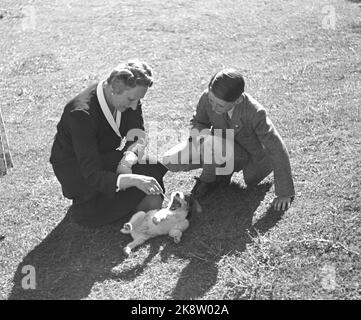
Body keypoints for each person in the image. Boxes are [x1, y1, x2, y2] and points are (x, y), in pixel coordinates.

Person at [50, 60, 168, 227]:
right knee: (89, 214)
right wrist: (131, 180)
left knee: (151, 166)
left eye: (138, 100)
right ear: (114, 88)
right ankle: (91, 204)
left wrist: (128, 158)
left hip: (104, 156)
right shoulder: (81, 114)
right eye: (131, 99)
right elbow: (91, 172)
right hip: (78, 170)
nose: (134, 106)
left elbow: (138, 134)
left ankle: (124, 200)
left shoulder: (129, 96)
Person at [163, 69, 295, 211]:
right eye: (211, 101)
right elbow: (199, 121)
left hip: (245, 157)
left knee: (211, 144)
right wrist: (199, 141)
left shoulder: (256, 113)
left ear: (238, 100)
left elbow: (276, 147)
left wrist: (284, 193)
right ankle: (219, 173)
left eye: (220, 105)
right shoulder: (208, 97)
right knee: (170, 160)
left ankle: (208, 180)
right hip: (213, 146)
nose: (213, 107)